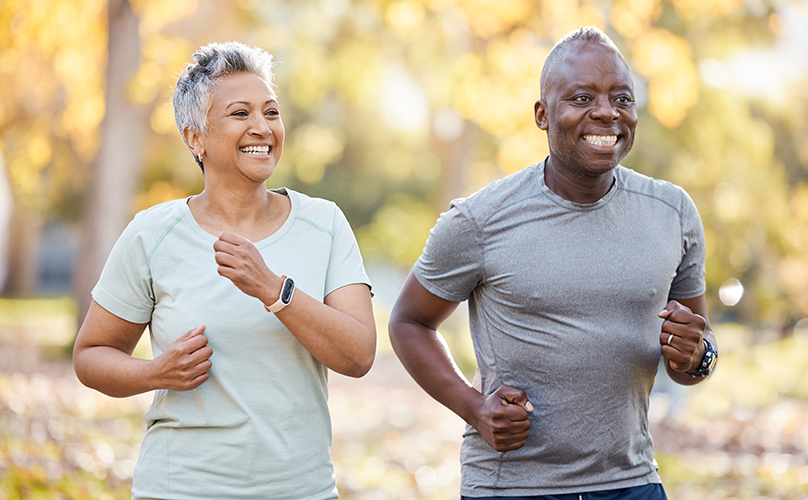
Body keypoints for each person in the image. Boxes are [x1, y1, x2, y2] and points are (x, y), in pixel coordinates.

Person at [388, 26, 717, 500]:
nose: (606, 112)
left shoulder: (672, 212)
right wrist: (474, 407)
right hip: (512, 487)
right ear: (542, 115)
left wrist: (697, 354)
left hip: (633, 482)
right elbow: (409, 321)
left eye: (621, 98)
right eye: (582, 97)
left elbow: (695, 356)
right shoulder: (480, 220)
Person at [73, 41, 376, 499]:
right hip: (180, 488)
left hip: (299, 490)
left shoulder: (324, 224)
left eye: (271, 112)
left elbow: (359, 356)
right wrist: (155, 372)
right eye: (240, 114)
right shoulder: (153, 233)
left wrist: (275, 290)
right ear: (195, 137)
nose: (262, 127)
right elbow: (91, 355)